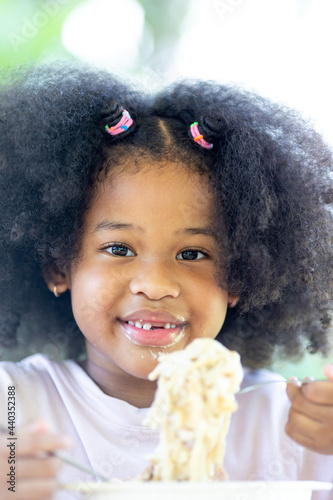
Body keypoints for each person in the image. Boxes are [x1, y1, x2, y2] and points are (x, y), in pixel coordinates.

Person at [0, 62, 333, 500]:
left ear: (240, 277)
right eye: (119, 249)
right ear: (59, 267)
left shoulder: (285, 419)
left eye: (192, 254)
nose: (156, 284)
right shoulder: (13, 406)